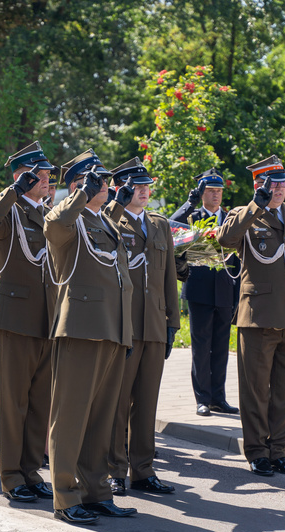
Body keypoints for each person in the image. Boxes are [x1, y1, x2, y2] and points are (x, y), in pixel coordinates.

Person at [44, 149, 136, 524]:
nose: (106, 184)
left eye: (105, 179)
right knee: (70, 417)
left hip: (111, 330)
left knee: (101, 418)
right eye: (97, 178)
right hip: (82, 327)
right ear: (79, 183)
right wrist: (81, 194)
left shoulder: (103, 220)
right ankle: (66, 497)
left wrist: (115, 202)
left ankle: (97, 492)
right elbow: (52, 225)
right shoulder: (71, 219)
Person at [216, 155, 285, 477]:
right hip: (259, 317)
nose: (280, 190)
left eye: (284, 184)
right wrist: (254, 207)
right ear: (259, 184)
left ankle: (279, 451)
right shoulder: (243, 215)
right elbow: (225, 239)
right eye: (274, 184)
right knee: (256, 391)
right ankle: (258, 452)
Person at [0, 142, 56, 504]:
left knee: (40, 402)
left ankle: (30, 470)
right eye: (39, 175)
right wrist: (14, 190)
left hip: (47, 318)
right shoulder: (9, 210)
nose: (46, 180)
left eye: (47, 175)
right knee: (14, 403)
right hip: (15, 318)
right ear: (22, 176)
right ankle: (11, 476)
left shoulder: (49, 213)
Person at [105, 157, 179, 496]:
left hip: (153, 325)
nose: (145, 191)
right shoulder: (110, 220)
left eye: (148, 186)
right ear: (122, 188)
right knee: (117, 402)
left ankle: (143, 470)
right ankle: (114, 469)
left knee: (147, 402)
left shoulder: (160, 224)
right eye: (138, 186)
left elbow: (168, 278)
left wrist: (172, 323)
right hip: (124, 325)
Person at [170, 168, 240, 417]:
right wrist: (188, 204)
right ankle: (202, 398)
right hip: (198, 288)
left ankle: (218, 398)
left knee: (221, 346)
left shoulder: (231, 217)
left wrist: (238, 291)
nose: (215, 195)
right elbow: (171, 226)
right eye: (210, 191)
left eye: (219, 191)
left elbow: (239, 258)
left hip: (224, 287)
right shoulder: (192, 216)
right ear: (201, 194)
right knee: (201, 346)